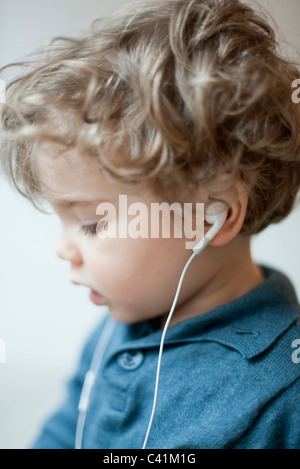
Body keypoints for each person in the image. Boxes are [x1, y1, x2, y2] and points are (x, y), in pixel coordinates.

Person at [1, 0, 300, 450]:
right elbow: (65, 433)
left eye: (91, 224)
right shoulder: (118, 329)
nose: (63, 248)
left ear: (209, 216)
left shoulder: (284, 394)